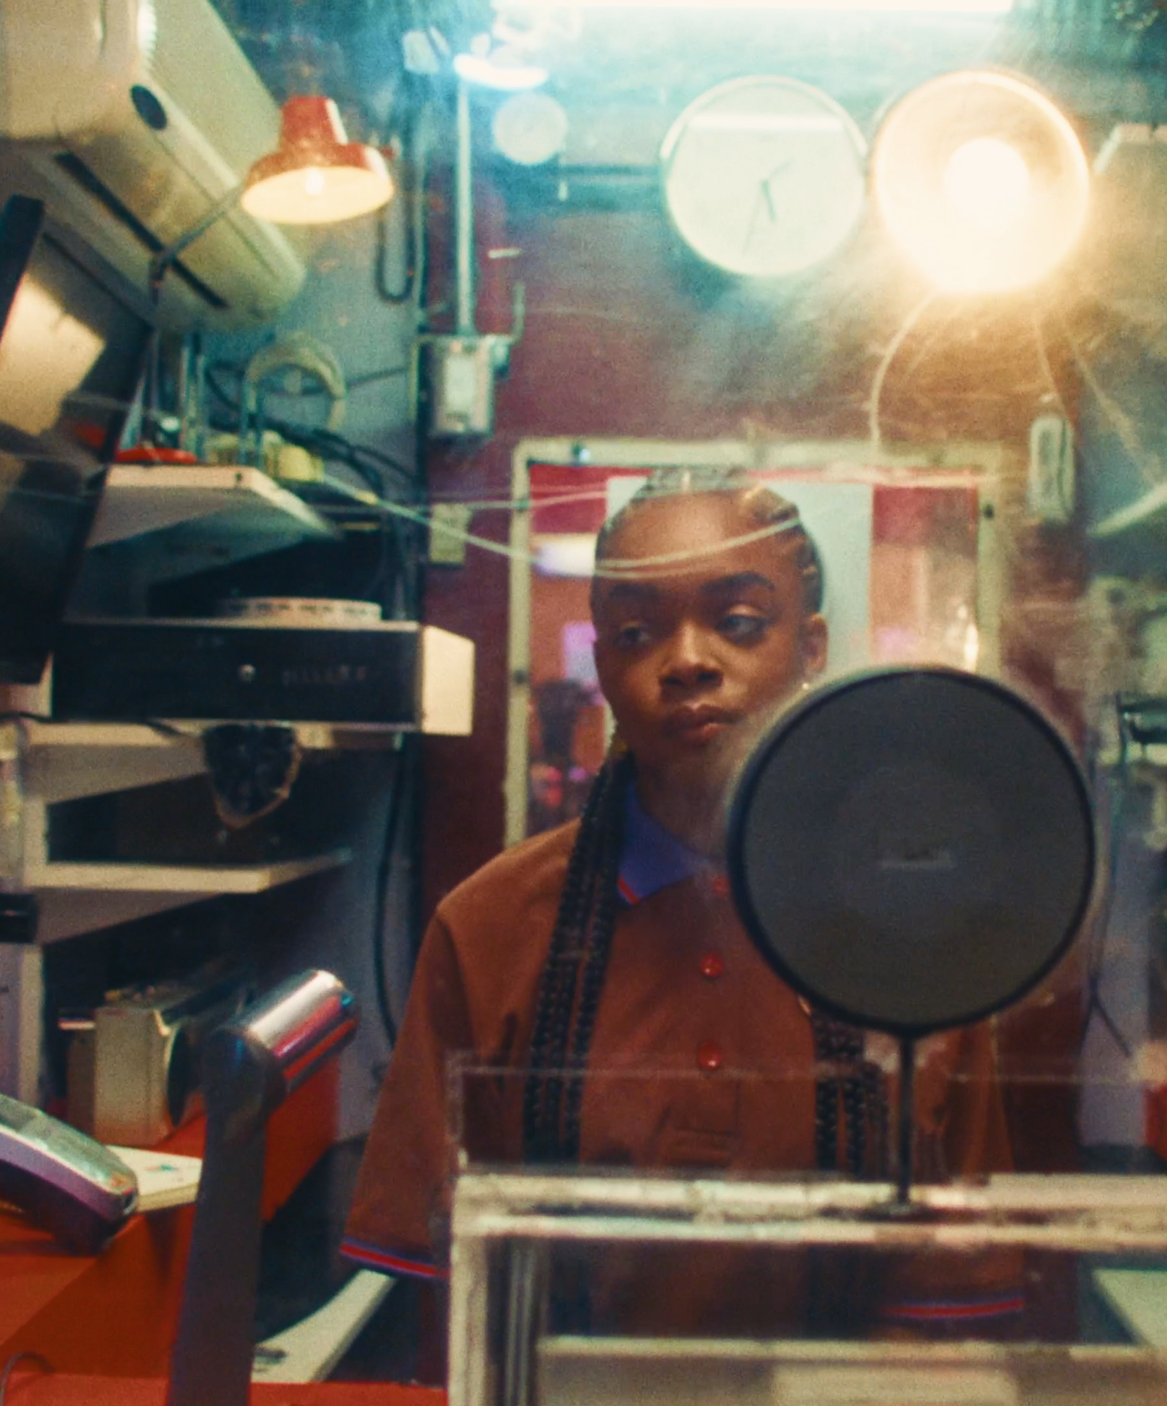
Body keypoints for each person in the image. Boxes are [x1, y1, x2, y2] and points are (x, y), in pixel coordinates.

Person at [342, 468, 1018, 1348]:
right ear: (602, 666)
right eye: (636, 632)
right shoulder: (489, 929)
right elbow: (454, 1305)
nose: (689, 659)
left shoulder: (916, 931)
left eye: (739, 622)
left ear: (811, 648)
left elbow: (945, 1312)